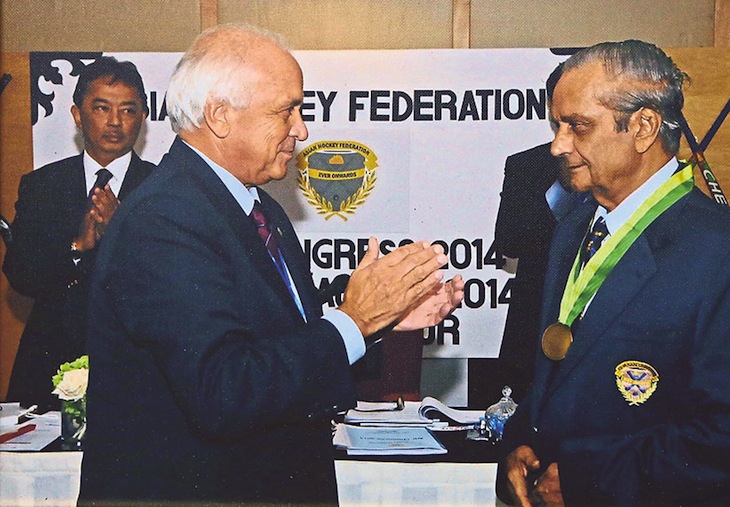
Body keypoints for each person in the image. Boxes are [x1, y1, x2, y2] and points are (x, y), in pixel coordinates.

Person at [79, 24, 464, 505]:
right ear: (220, 116)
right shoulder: (164, 220)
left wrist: (378, 324)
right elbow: (224, 393)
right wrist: (355, 320)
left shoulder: (259, 209)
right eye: (287, 110)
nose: (301, 129)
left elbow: (284, 352)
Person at [497, 40, 730, 506]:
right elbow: (559, 374)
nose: (558, 145)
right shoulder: (573, 228)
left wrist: (587, 480)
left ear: (644, 127)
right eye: (558, 125)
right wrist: (520, 444)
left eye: (579, 126)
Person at [3, 57, 154, 411]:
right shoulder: (43, 185)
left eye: (128, 110)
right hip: (51, 366)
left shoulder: (163, 189)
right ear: (76, 114)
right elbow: (21, 275)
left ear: (143, 119)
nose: (115, 121)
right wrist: (77, 248)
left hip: (137, 367)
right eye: (101, 108)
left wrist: (121, 233)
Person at [469, 65, 582, 408]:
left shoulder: (622, 170)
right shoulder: (528, 164)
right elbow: (508, 241)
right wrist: (563, 185)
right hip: (535, 323)